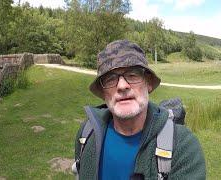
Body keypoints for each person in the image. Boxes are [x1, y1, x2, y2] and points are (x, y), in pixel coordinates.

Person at [73, 40, 206, 180]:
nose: (122, 86)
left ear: (148, 82)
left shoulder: (183, 146)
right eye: (110, 79)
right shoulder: (87, 134)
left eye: (132, 75)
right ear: (103, 92)